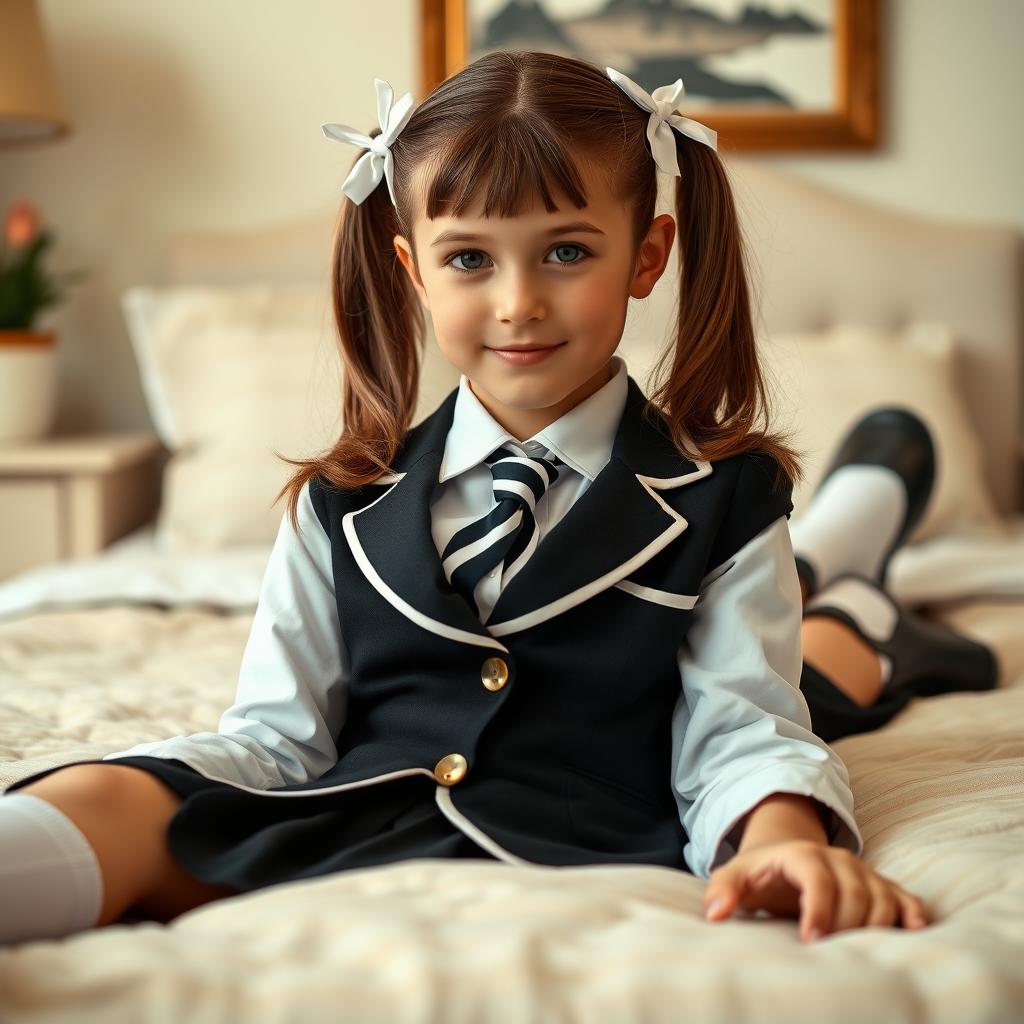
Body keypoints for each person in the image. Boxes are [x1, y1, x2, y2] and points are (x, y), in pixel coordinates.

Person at [0, 51, 998, 948]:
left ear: (645, 256)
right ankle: (845, 557)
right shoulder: (339, 504)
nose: (517, 301)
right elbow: (274, 739)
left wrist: (780, 834)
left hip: (610, 814)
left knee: (826, 667)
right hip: (373, 820)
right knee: (111, 793)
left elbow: (742, 730)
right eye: (470, 258)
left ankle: (854, 554)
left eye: (566, 251)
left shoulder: (726, 500)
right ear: (414, 270)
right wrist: (129, 785)